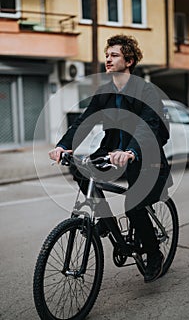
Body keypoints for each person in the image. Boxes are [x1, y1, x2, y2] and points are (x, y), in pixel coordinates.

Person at [49, 34, 172, 283]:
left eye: (114, 55)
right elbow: (85, 121)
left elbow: (148, 126)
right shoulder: (104, 91)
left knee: (134, 204)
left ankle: (154, 254)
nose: (108, 59)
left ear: (129, 60)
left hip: (145, 154)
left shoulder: (145, 90)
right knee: (81, 170)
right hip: (112, 151)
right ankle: (105, 219)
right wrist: (63, 146)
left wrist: (130, 152)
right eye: (107, 55)